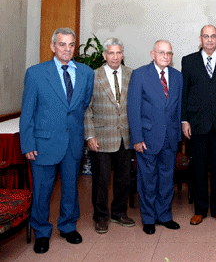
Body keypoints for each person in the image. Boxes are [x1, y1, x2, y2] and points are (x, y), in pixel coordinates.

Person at [19, 27, 94, 254]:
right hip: (43, 144)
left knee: (71, 188)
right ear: (53, 47)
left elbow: (81, 105)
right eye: (62, 44)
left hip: (73, 142)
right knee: (43, 191)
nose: (67, 49)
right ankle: (42, 231)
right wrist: (28, 144)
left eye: (71, 45)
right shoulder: (36, 73)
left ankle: (68, 226)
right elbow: (28, 111)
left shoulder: (85, 73)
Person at [181, 25, 216, 225]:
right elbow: (184, 93)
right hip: (197, 123)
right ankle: (200, 209)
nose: (210, 40)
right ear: (200, 38)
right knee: (199, 168)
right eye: (206, 36)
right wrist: (184, 120)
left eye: (213, 36)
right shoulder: (188, 61)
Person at [127, 40, 183, 235]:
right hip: (147, 138)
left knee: (167, 180)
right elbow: (133, 109)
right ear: (152, 54)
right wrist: (137, 138)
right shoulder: (140, 74)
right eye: (161, 52)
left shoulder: (177, 76)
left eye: (169, 53)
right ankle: (149, 218)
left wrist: (178, 136)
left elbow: (178, 108)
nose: (166, 56)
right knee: (147, 180)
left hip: (170, 137)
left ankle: (165, 215)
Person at [84, 38, 135, 234]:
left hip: (125, 136)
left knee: (123, 179)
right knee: (101, 181)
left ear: (122, 54)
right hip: (101, 137)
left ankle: (119, 213)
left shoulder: (131, 74)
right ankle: (101, 216)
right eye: (111, 53)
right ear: (104, 55)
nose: (115, 57)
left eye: (119, 53)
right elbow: (87, 108)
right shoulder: (93, 76)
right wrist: (90, 136)